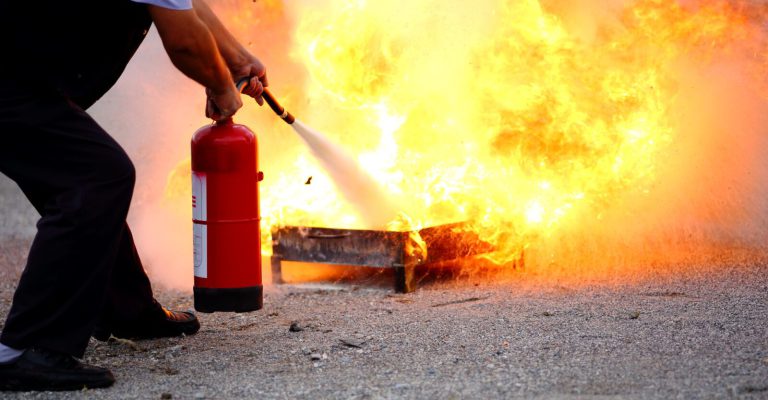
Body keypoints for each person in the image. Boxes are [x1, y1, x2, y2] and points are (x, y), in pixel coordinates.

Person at [0, 0, 266, 391]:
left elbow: (184, 5)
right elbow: (186, 43)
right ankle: (24, 349)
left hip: (25, 78)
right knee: (96, 177)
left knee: (87, 177)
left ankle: (126, 309)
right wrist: (222, 86)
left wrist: (239, 61)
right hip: (12, 81)